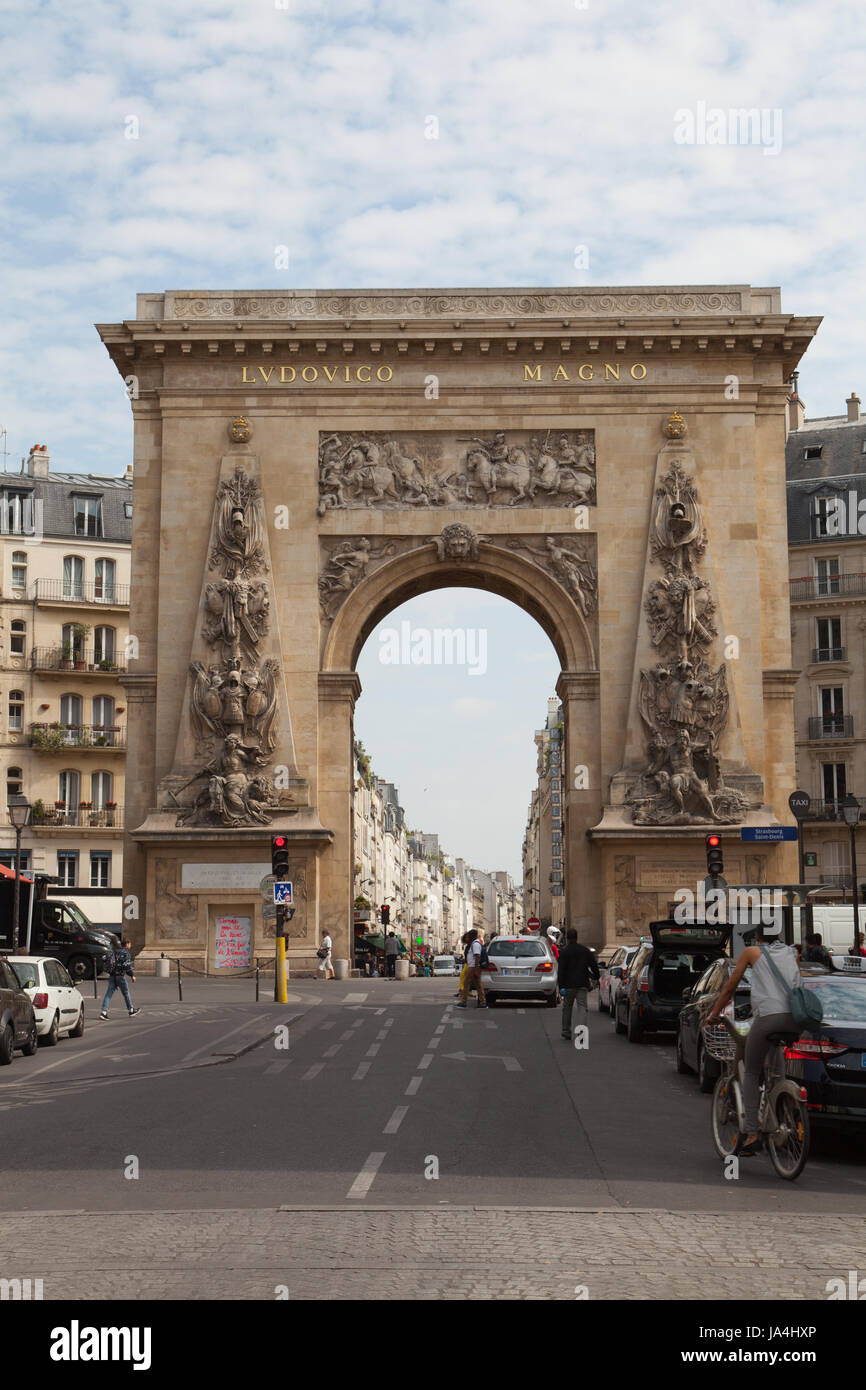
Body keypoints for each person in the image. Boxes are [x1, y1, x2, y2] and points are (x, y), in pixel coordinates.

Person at [706, 919, 801, 1156]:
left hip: (768, 1017)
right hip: (795, 1018)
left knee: (750, 1070)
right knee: (777, 1073)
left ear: (757, 937)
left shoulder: (751, 952)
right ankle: (781, 1111)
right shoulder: (792, 952)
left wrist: (714, 1013)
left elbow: (730, 987)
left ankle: (751, 1133)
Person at [557, 928, 599, 1040]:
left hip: (568, 985)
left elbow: (561, 971)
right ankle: (581, 1032)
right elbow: (594, 965)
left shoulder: (564, 952)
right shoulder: (584, 950)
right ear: (577, 937)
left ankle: (566, 1031)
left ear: (567, 938)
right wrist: (596, 977)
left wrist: (560, 986)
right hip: (582, 983)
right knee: (582, 1008)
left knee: (567, 1008)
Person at [99, 938, 140, 1020]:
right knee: (126, 993)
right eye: (130, 944)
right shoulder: (126, 953)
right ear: (127, 944)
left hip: (112, 976)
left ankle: (104, 1012)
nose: (130, 945)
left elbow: (104, 958)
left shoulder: (114, 951)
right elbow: (127, 966)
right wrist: (132, 975)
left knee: (108, 994)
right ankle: (131, 1010)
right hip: (120, 976)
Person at [457, 929, 486, 1008]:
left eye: (468, 936)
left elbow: (477, 956)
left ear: (472, 936)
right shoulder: (474, 943)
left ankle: (463, 1002)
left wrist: (476, 969)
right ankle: (482, 1002)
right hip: (473, 966)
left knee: (466, 984)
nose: (467, 938)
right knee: (478, 985)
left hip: (473, 967)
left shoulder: (475, 944)